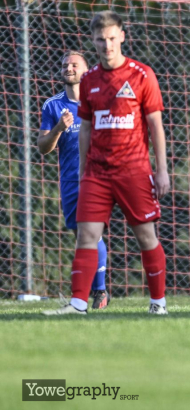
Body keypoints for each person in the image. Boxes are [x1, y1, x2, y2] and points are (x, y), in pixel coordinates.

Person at [44, 10, 171, 315]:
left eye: (112, 38)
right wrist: (84, 170)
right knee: (86, 235)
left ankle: (158, 303)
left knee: (146, 236)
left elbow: (155, 125)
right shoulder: (89, 80)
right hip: (97, 173)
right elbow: (86, 128)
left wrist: (162, 170)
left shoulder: (142, 75)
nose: (107, 45)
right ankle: (78, 304)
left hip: (134, 171)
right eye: (101, 39)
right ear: (94, 41)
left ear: (122, 37)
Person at [38, 51, 110, 310]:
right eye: (65, 65)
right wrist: (59, 128)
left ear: (86, 71)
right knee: (81, 234)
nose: (68, 68)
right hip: (70, 179)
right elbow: (43, 147)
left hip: (97, 177)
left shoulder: (99, 101)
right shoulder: (52, 106)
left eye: (74, 65)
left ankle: (98, 292)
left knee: (90, 232)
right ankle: (97, 291)